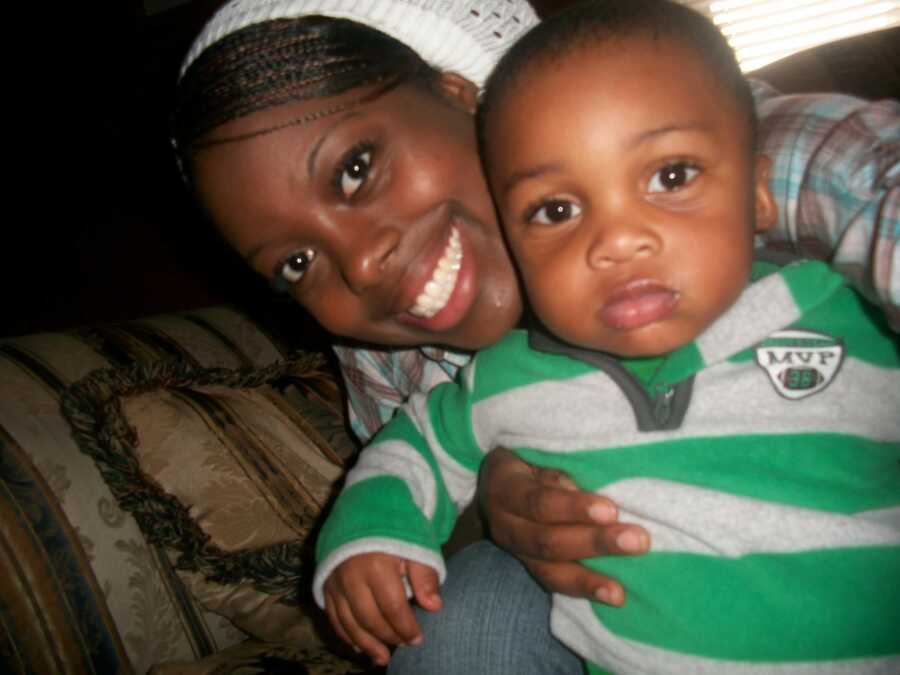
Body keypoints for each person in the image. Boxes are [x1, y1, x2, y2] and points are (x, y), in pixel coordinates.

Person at [173, 1, 900, 672]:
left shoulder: (703, 138)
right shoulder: (383, 353)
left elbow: (865, 176)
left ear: (461, 96)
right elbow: (412, 496)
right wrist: (492, 501)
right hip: (630, 616)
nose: (362, 265)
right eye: (295, 263)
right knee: (469, 611)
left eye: (358, 168)